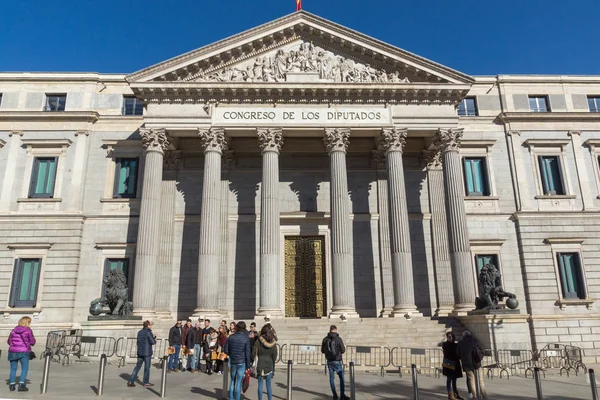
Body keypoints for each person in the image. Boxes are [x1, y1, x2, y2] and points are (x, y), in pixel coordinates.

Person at [224, 321, 251, 400]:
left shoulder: (231, 337)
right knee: (239, 382)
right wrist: (248, 365)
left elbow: (226, 350)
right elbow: (247, 352)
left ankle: (231, 398)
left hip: (233, 361)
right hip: (242, 362)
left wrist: (231, 353)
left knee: (232, 380)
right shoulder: (246, 338)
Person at [7, 316, 36, 392]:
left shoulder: (13, 331)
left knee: (13, 369)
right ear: (27, 323)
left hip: (12, 351)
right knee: (24, 368)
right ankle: (21, 385)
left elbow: (9, 342)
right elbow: (32, 342)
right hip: (24, 352)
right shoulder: (28, 330)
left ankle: (12, 385)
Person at [321, 325, 349, 400]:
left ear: (330, 330)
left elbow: (322, 351)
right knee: (341, 377)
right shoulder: (338, 339)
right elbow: (343, 350)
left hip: (329, 360)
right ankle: (342, 395)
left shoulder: (325, 339)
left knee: (331, 378)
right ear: (336, 330)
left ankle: (335, 395)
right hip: (337, 360)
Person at [457, 330, 486, 400]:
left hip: (467, 364)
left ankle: (475, 396)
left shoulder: (460, 343)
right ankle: (484, 395)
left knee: (471, 380)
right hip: (477, 363)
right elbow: (482, 349)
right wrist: (479, 358)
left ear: (463, 336)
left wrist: (462, 358)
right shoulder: (475, 341)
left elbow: (458, 354)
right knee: (481, 380)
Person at [128, 320, 156, 388]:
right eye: (150, 325)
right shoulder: (149, 332)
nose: (151, 326)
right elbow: (153, 342)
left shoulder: (139, 332)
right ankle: (145, 382)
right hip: (147, 353)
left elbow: (139, 341)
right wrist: (154, 338)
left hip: (140, 352)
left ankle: (131, 381)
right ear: (148, 325)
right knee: (147, 367)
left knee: (137, 366)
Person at [253, 324, 278, 400]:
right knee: (269, 384)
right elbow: (275, 356)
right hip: (269, 364)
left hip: (260, 363)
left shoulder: (258, 341)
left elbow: (253, 353)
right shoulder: (273, 343)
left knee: (260, 385)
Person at [442, 332, 463, 400]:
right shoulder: (445, 344)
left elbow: (458, 354)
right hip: (448, 364)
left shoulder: (456, 345)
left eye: (450, 337)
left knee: (454, 380)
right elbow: (447, 352)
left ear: (453, 337)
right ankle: (450, 394)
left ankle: (455, 394)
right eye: (448, 337)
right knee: (449, 380)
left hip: (455, 364)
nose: (449, 338)